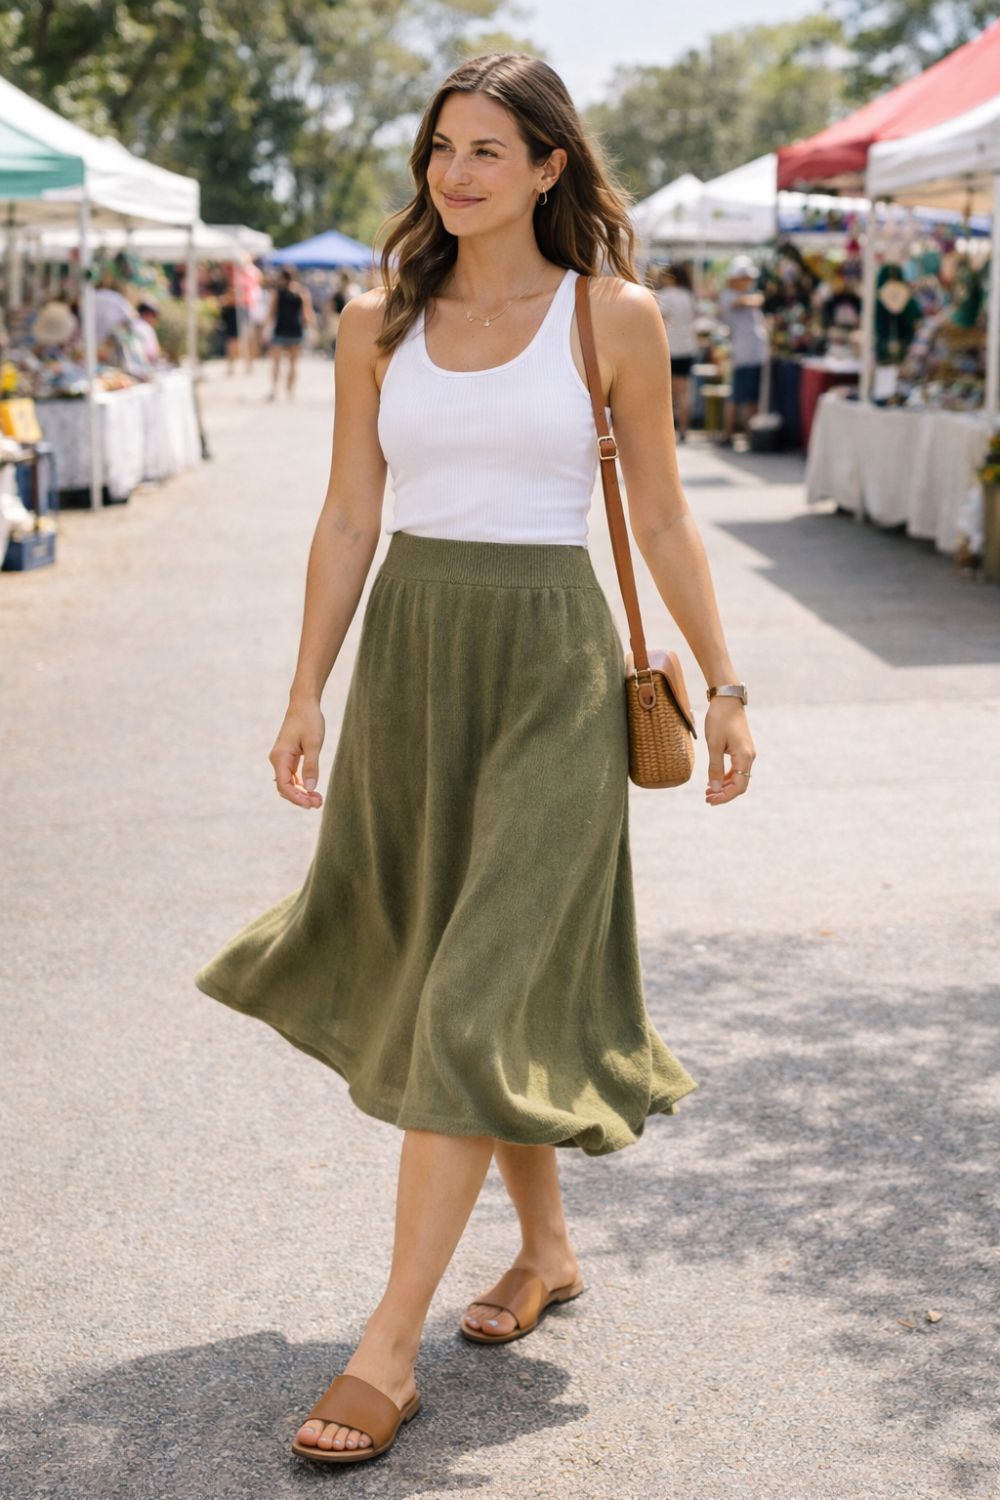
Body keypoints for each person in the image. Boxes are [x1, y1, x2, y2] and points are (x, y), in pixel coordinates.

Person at [193, 51, 756, 1466]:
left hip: (553, 673)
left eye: (488, 149)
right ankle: (546, 1250)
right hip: (414, 667)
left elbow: (666, 517)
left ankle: (387, 1348)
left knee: (473, 992)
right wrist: (306, 688)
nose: (455, 172)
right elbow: (347, 516)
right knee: (465, 977)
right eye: (441, 147)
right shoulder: (375, 320)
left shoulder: (610, 315)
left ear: (551, 165)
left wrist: (727, 683)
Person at [718, 254, 768, 446]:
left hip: (753, 353)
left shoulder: (742, 295)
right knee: (737, 397)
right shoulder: (730, 296)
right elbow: (754, 300)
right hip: (744, 354)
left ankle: (750, 435)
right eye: (744, 278)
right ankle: (728, 435)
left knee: (752, 398)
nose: (748, 281)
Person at [654, 261, 698, 441]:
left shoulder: (665, 295)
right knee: (684, 392)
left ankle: (668, 430)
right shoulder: (689, 296)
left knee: (667, 393)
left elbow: (658, 320)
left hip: (668, 348)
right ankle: (684, 429)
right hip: (687, 348)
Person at [265, 267, 316, 399]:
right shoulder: (302, 292)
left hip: (281, 329)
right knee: (293, 363)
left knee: (276, 362)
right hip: (295, 330)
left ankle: (275, 388)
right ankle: (290, 389)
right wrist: (312, 329)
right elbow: (306, 313)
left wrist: (265, 329)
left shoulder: (278, 292)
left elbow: (271, 312)